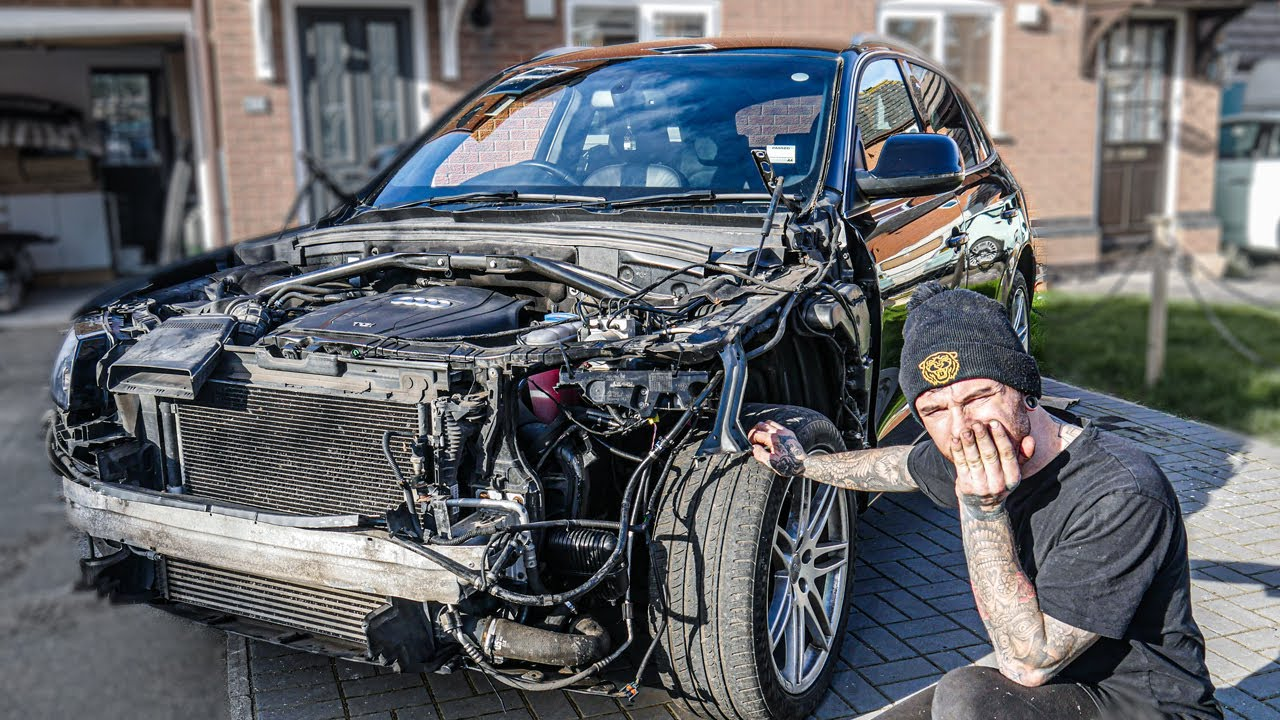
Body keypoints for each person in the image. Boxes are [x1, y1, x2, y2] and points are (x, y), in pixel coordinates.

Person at [747, 282, 1221, 720]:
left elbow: (1027, 664)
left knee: (969, 697)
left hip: (1146, 707)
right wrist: (802, 464)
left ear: (1024, 390)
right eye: (934, 410)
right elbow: (895, 465)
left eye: (978, 396)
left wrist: (983, 509)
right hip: (1058, 692)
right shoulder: (972, 448)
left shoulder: (1122, 492)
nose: (960, 428)